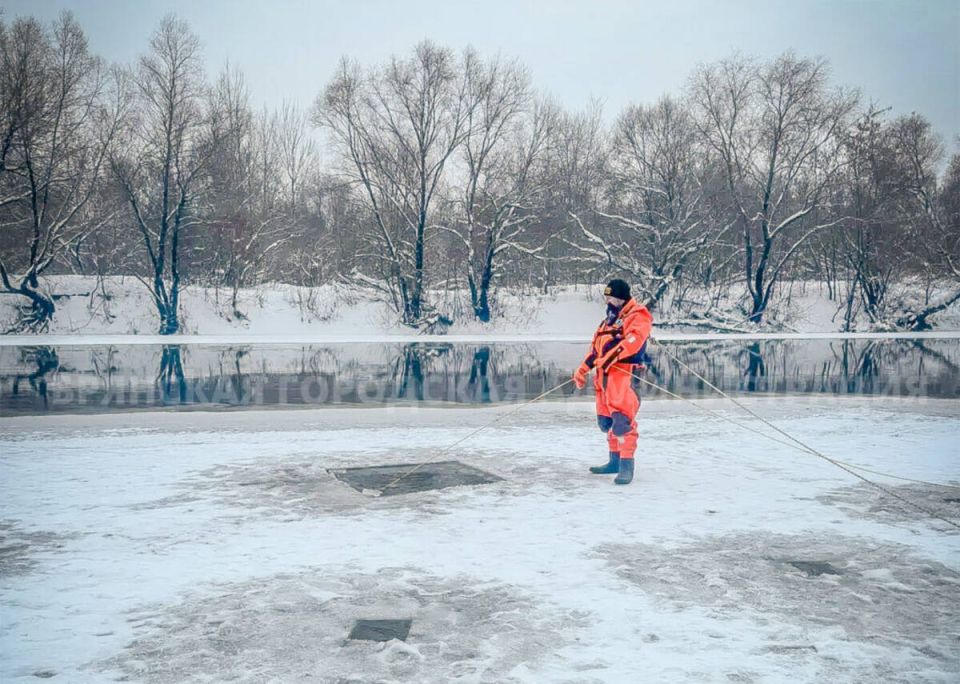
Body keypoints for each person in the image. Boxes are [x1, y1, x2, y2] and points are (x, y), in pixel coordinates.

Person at [572, 279, 653, 485]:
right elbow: (596, 350)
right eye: (607, 298)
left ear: (622, 297)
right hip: (603, 377)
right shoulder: (607, 321)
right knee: (606, 420)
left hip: (624, 374)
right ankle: (614, 460)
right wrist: (583, 369)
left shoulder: (638, 315)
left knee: (622, 421)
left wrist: (608, 358)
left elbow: (633, 342)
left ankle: (626, 465)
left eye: (613, 297)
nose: (609, 301)